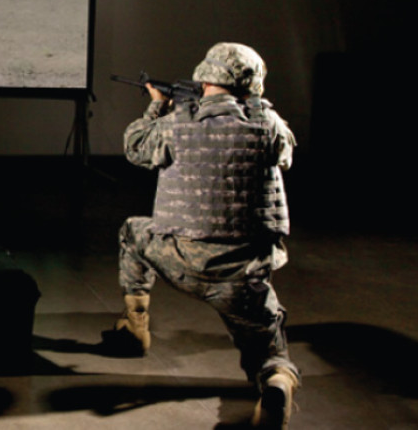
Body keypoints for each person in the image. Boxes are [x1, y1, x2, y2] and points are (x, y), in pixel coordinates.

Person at [104, 42, 301, 428]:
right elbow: (286, 152)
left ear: (205, 78)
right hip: (243, 277)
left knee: (132, 232)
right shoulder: (268, 124)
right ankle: (276, 384)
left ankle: (136, 325)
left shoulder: (178, 123)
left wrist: (157, 105)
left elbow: (134, 146)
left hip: (180, 259)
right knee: (270, 355)